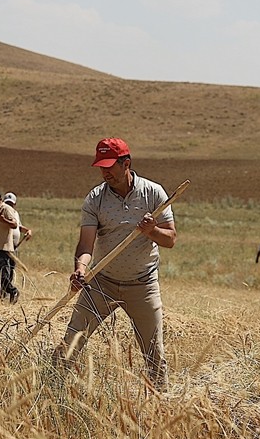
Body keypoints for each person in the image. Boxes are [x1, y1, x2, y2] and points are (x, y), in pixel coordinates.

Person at [52, 138, 177, 389]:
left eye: (110, 165)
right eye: (101, 166)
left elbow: (170, 239)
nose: (105, 172)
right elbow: (86, 245)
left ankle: (161, 402)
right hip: (101, 282)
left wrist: (151, 231)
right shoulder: (95, 199)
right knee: (71, 341)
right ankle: (49, 389)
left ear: (126, 163)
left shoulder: (154, 193)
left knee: (154, 354)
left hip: (142, 284)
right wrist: (80, 269)